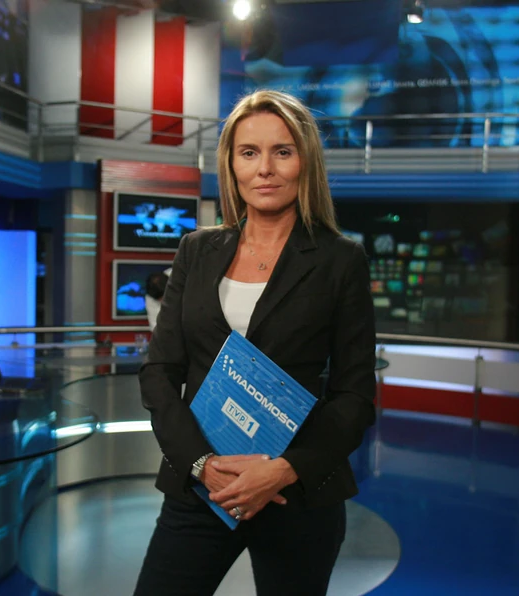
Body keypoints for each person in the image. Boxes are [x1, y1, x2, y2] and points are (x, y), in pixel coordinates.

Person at [134, 89, 376, 596]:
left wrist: (284, 471)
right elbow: (160, 372)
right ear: (231, 164)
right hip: (202, 486)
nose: (265, 168)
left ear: (305, 162)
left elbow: (355, 394)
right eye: (249, 152)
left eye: (282, 151)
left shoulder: (340, 260)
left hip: (297, 494)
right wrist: (202, 466)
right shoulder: (196, 250)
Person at [144, 268, 172, 332]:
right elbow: (156, 328)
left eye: (166, 298)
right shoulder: (151, 299)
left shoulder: (185, 275)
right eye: (160, 300)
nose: (163, 302)